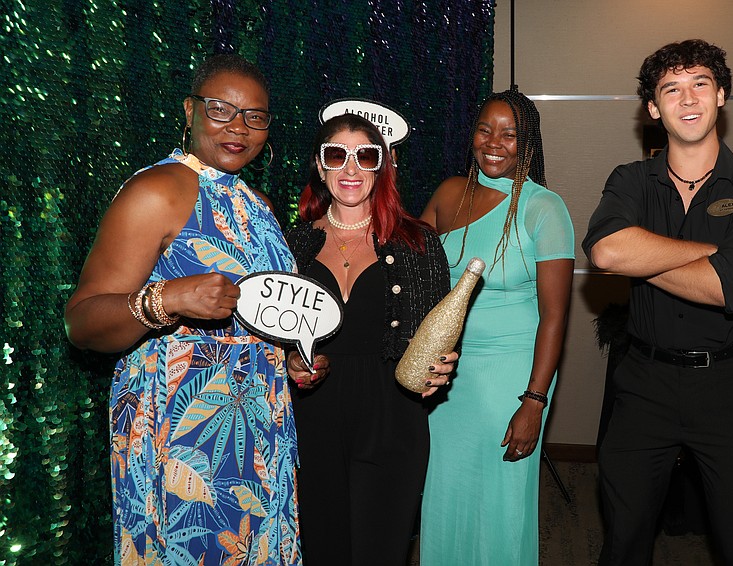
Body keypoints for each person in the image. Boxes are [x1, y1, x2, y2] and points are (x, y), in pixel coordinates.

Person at [64, 54, 312, 564]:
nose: (238, 127)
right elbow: (82, 321)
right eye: (220, 109)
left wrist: (290, 357)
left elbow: (255, 321)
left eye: (255, 116)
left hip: (259, 432)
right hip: (184, 438)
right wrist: (169, 299)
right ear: (189, 110)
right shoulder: (155, 191)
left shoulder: (259, 205)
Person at [582, 39, 733, 566]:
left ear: (721, 95)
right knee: (624, 540)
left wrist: (647, 255)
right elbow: (607, 252)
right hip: (644, 383)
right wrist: (718, 254)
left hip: (727, 387)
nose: (688, 97)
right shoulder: (630, 180)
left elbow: (728, 287)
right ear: (654, 109)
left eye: (700, 83)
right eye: (671, 88)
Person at [284, 111, 455, 566]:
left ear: (382, 166)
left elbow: (439, 337)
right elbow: (269, 339)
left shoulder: (420, 244)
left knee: (381, 549)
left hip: (392, 417)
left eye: (366, 156)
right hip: (312, 419)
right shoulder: (292, 245)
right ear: (320, 167)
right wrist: (288, 363)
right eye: (336, 155)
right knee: (322, 546)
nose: (351, 168)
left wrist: (442, 367)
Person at [419, 87, 575, 565]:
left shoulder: (543, 208)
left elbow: (555, 317)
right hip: (446, 377)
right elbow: (408, 268)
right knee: (443, 495)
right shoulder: (448, 193)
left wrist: (534, 401)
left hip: (511, 379)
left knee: (500, 506)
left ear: (527, 143)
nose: (494, 142)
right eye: (485, 129)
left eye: (509, 134)